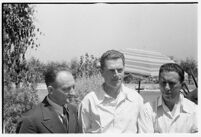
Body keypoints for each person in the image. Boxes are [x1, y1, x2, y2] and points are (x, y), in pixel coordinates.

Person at [78, 49, 144, 133]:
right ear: (102, 72)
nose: (116, 74)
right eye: (112, 71)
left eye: (120, 70)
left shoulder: (136, 99)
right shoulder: (89, 102)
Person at [138, 63, 198, 133]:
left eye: (171, 83)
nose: (167, 87)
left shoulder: (194, 111)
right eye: (163, 83)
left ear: (182, 85)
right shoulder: (148, 110)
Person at [16, 67, 79, 133]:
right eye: (66, 89)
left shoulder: (73, 111)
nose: (73, 93)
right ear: (50, 90)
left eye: (73, 87)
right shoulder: (30, 120)